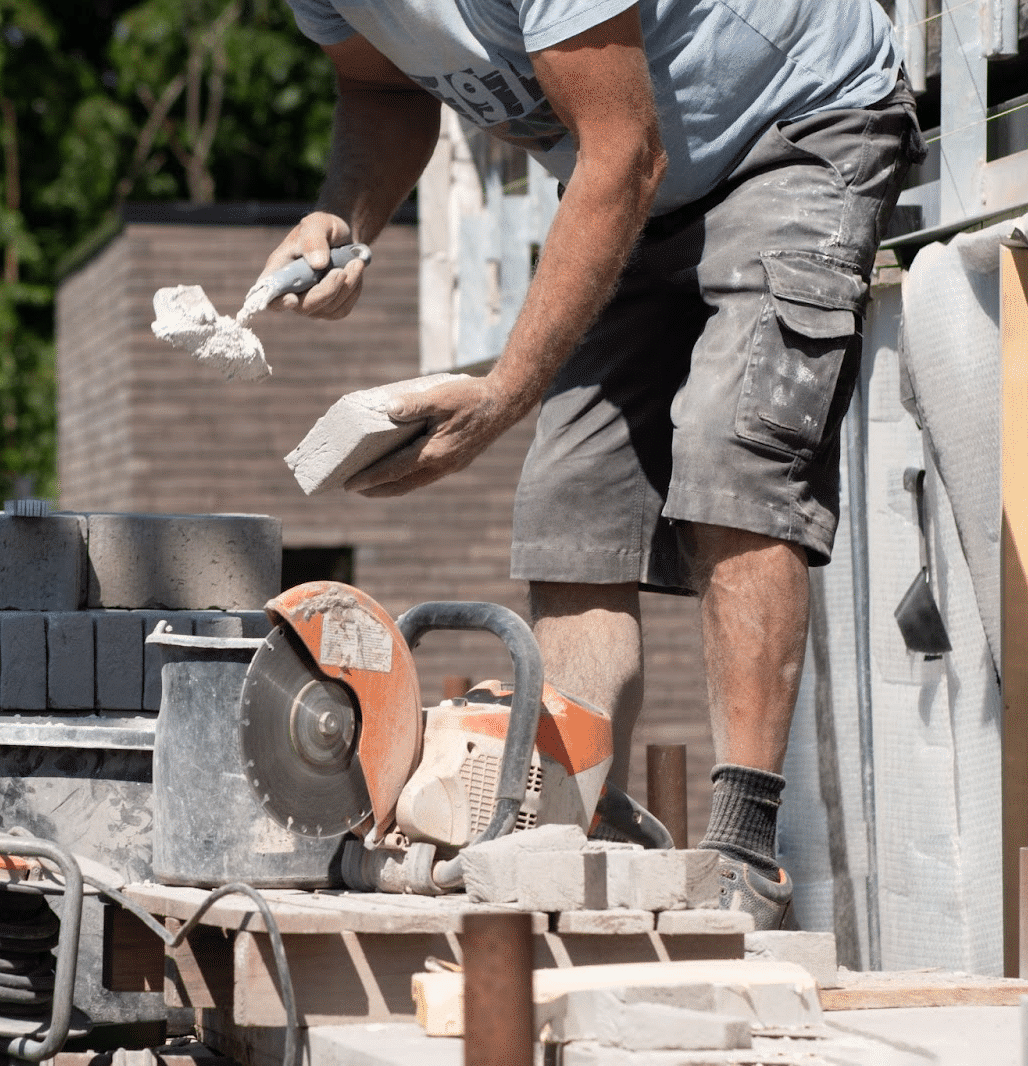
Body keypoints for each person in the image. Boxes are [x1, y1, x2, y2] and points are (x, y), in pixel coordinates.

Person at [260, 0, 923, 929]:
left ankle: (743, 848)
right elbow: (377, 88)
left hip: (795, 126)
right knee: (572, 499)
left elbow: (624, 153)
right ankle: (580, 818)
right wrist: (344, 214)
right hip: (642, 175)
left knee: (733, 454)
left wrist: (501, 393)